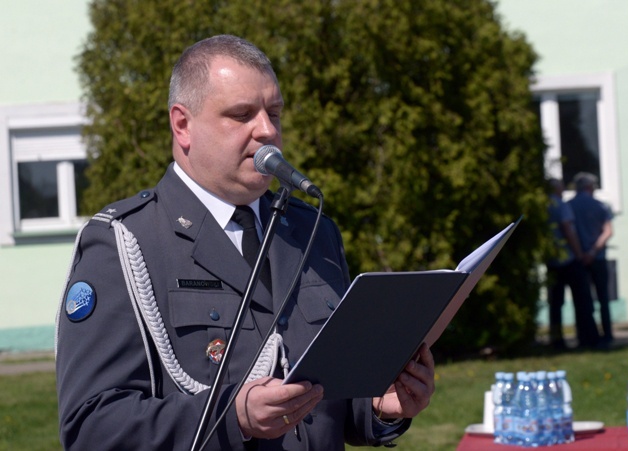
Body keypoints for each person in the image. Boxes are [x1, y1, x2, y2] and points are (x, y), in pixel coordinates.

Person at [55, 35, 435, 450]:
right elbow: (91, 428)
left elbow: (330, 403)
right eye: (241, 115)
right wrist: (232, 417)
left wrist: (380, 407)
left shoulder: (313, 231)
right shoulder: (125, 243)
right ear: (182, 125)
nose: (267, 130)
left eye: (274, 113)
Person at [545, 178, 600, 349]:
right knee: (582, 300)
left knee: (555, 303)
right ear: (558, 189)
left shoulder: (544, 206)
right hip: (569, 260)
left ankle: (557, 339)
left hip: (552, 260)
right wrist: (579, 254)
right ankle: (586, 338)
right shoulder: (561, 205)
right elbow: (568, 230)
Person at [569, 172, 615, 345]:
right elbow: (608, 231)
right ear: (590, 187)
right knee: (603, 298)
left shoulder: (569, 206)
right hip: (598, 258)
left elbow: (569, 232)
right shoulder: (601, 206)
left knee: (582, 300)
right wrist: (593, 251)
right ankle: (607, 336)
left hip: (578, 259)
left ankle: (586, 337)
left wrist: (582, 253)